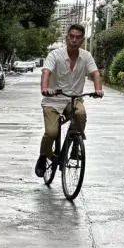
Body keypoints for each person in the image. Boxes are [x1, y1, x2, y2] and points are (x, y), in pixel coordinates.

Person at [36, 24, 103, 177]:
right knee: (51, 132)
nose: (74, 40)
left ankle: (74, 147)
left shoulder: (86, 56)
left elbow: (96, 73)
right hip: (53, 100)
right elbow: (46, 72)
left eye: (78, 37)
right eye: (71, 36)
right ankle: (43, 156)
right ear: (66, 38)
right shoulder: (55, 55)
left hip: (73, 99)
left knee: (80, 114)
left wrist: (98, 89)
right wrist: (45, 88)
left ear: (82, 40)